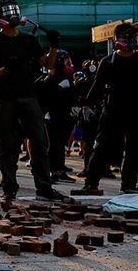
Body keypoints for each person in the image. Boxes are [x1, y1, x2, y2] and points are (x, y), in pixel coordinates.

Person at [0, 0, 65, 201]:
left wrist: (53, 46)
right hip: (5, 99)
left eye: (14, 10)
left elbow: (49, 65)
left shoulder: (29, 40)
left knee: (39, 142)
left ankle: (44, 187)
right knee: (7, 145)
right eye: (7, 11)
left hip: (29, 96)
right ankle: (9, 186)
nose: (13, 14)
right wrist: (5, 69)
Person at [81, 22, 138, 193]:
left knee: (133, 149)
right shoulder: (108, 61)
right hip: (113, 110)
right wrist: (87, 105)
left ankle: (128, 184)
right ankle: (91, 183)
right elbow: (97, 86)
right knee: (101, 148)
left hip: (133, 111)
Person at [37, 49, 77, 183]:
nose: (69, 64)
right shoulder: (50, 79)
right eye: (67, 61)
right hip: (54, 116)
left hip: (64, 115)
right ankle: (53, 172)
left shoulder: (65, 78)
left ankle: (58, 170)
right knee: (55, 145)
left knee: (59, 144)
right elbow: (43, 97)